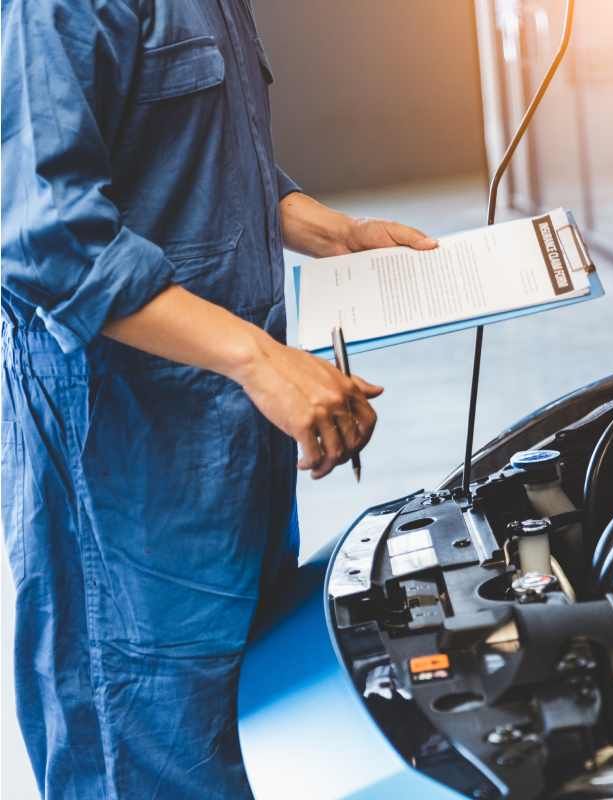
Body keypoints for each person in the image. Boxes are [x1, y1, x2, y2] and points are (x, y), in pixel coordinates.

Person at [1, 1, 436, 796]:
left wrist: (334, 232)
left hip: (230, 447)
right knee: (147, 751)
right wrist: (260, 360)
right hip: (124, 466)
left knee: (239, 728)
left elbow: (189, 162)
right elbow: (46, 241)